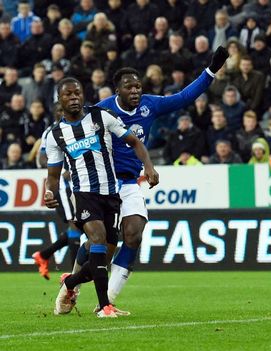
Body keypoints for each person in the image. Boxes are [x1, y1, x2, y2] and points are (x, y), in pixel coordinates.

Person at [55, 46, 229, 314]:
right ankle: (71, 286)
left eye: (138, 87)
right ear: (118, 91)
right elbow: (73, 131)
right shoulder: (101, 111)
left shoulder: (150, 105)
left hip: (129, 184)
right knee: (97, 246)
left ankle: (108, 300)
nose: (136, 91)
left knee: (134, 236)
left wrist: (211, 70)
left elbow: (184, 97)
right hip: (103, 185)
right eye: (129, 87)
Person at [43, 77, 158, 318]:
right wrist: (50, 191)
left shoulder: (101, 117)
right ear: (59, 100)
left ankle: (71, 282)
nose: (74, 98)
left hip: (111, 193)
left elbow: (134, 141)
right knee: (97, 238)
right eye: (68, 95)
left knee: (104, 254)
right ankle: (105, 305)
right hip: (84, 194)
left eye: (78, 93)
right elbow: (52, 175)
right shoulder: (55, 135)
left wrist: (148, 166)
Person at [32, 104, 82, 281]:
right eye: (59, 111)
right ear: (55, 114)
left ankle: (44, 255)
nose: (63, 113)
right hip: (62, 185)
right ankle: (74, 276)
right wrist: (60, 169)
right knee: (76, 224)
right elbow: (42, 157)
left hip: (78, 182)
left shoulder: (75, 127)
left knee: (80, 224)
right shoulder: (51, 132)